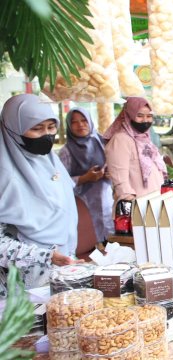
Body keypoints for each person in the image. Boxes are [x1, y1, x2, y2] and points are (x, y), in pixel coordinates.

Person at [0, 94, 81, 294]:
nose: (46, 135)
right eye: (36, 128)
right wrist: (45, 256)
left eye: (51, 127)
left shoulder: (51, 162)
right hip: (23, 287)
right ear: (12, 128)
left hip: (63, 272)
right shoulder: (4, 175)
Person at [59, 108, 114, 243]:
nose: (80, 125)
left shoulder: (102, 142)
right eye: (74, 122)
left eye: (84, 120)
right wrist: (85, 178)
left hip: (107, 200)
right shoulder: (65, 152)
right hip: (82, 205)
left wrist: (110, 174)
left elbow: (116, 166)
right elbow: (60, 183)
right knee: (90, 241)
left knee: (111, 240)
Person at [104, 97, 167, 201]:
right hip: (137, 208)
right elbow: (120, 180)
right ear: (129, 116)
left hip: (154, 205)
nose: (145, 120)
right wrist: (132, 205)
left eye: (149, 116)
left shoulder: (145, 139)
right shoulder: (120, 140)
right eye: (140, 116)